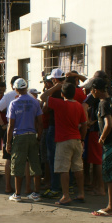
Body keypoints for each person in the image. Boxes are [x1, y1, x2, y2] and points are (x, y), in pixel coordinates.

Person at [41, 80, 87, 206]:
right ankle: (81, 193)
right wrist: (82, 139)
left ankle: (66, 196)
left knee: (63, 169)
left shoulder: (60, 104)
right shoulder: (78, 105)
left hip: (63, 140)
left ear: (62, 94)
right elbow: (84, 124)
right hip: (76, 139)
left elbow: (43, 97)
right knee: (78, 167)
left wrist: (55, 87)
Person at [91, 77, 112, 216]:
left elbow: (108, 123)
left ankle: (111, 207)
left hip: (111, 142)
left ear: (96, 90)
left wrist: (102, 137)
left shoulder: (103, 103)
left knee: (110, 173)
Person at [6, 78, 43, 202]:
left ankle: (17, 194)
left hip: (19, 137)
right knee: (35, 164)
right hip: (32, 135)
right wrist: (39, 137)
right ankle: (36, 193)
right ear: (26, 88)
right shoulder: (35, 102)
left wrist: (8, 142)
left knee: (18, 165)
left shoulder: (14, 103)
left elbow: (11, 125)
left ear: (16, 89)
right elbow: (40, 122)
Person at [40, 68, 67, 199]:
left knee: (53, 159)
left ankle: (55, 186)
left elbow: (44, 101)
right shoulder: (71, 91)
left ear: (55, 80)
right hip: (68, 129)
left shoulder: (56, 94)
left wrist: (54, 88)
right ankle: (69, 187)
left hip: (54, 127)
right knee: (67, 160)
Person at [0, 75, 21, 193]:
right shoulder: (28, 96)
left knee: (8, 159)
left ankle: (8, 186)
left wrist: (3, 125)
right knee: (26, 160)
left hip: (10, 129)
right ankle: (28, 187)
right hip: (25, 130)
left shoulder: (8, 96)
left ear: (11, 85)